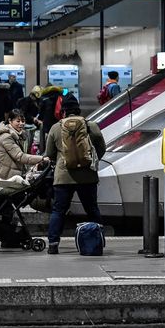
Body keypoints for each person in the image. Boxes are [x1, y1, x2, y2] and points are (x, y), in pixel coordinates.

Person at [44, 97, 105, 255]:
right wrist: (91, 161)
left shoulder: (56, 127)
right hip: (87, 176)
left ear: (63, 111)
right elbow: (101, 147)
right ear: (78, 110)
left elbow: (49, 153)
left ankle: (53, 244)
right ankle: (98, 241)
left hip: (63, 176)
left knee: (59, 210)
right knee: (92, 209)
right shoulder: (90, 126)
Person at [0, 109, 47, 197]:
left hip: (2, 178)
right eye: (18, 121)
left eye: (23, 121)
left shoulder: (18, 136)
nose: (21, 123)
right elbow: (20, 157)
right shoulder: (6, 137)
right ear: (10, 121)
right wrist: (42, 159)